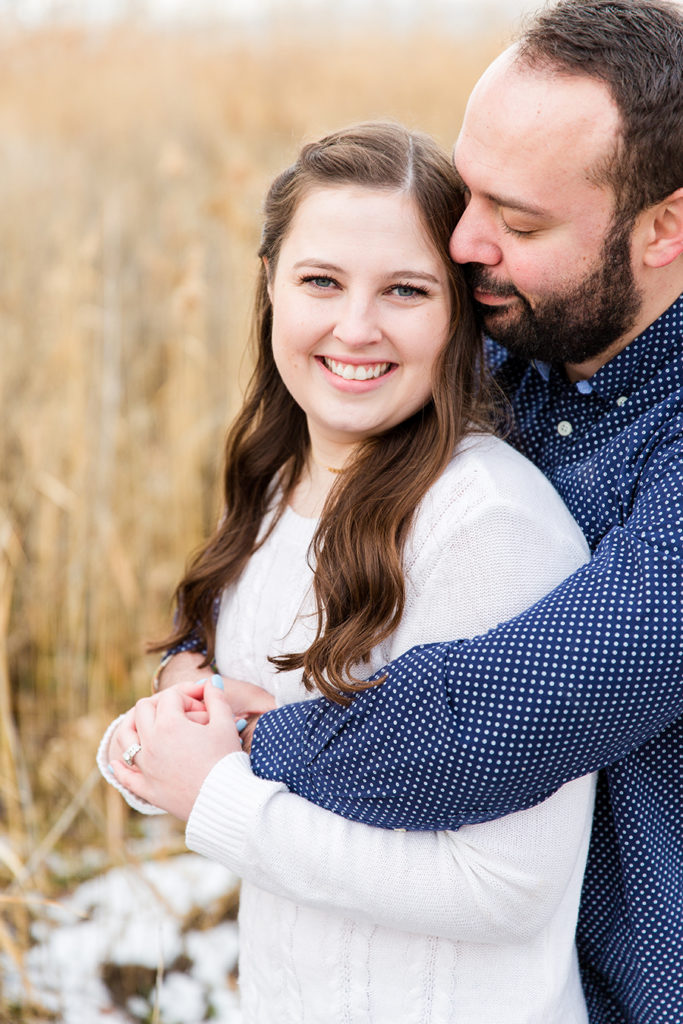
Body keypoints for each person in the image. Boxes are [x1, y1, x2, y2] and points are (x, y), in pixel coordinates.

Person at [138, 1, 683, 1021]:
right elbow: (318, 502)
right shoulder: (497, 337)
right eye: (469, 193)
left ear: (663, 227)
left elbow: (499, 711)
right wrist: (198, 658)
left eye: (516, 221)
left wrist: (249, 749)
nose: (464, 244)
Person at [99, 122, 596, 1022]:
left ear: (457, 312)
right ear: (270, 285)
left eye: (405, 290)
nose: (355, 328)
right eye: (321, 281)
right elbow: (224, 689)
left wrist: (216, 797)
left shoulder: (488, 525)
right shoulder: (278, 475)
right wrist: (157, 733)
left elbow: (504, 888)